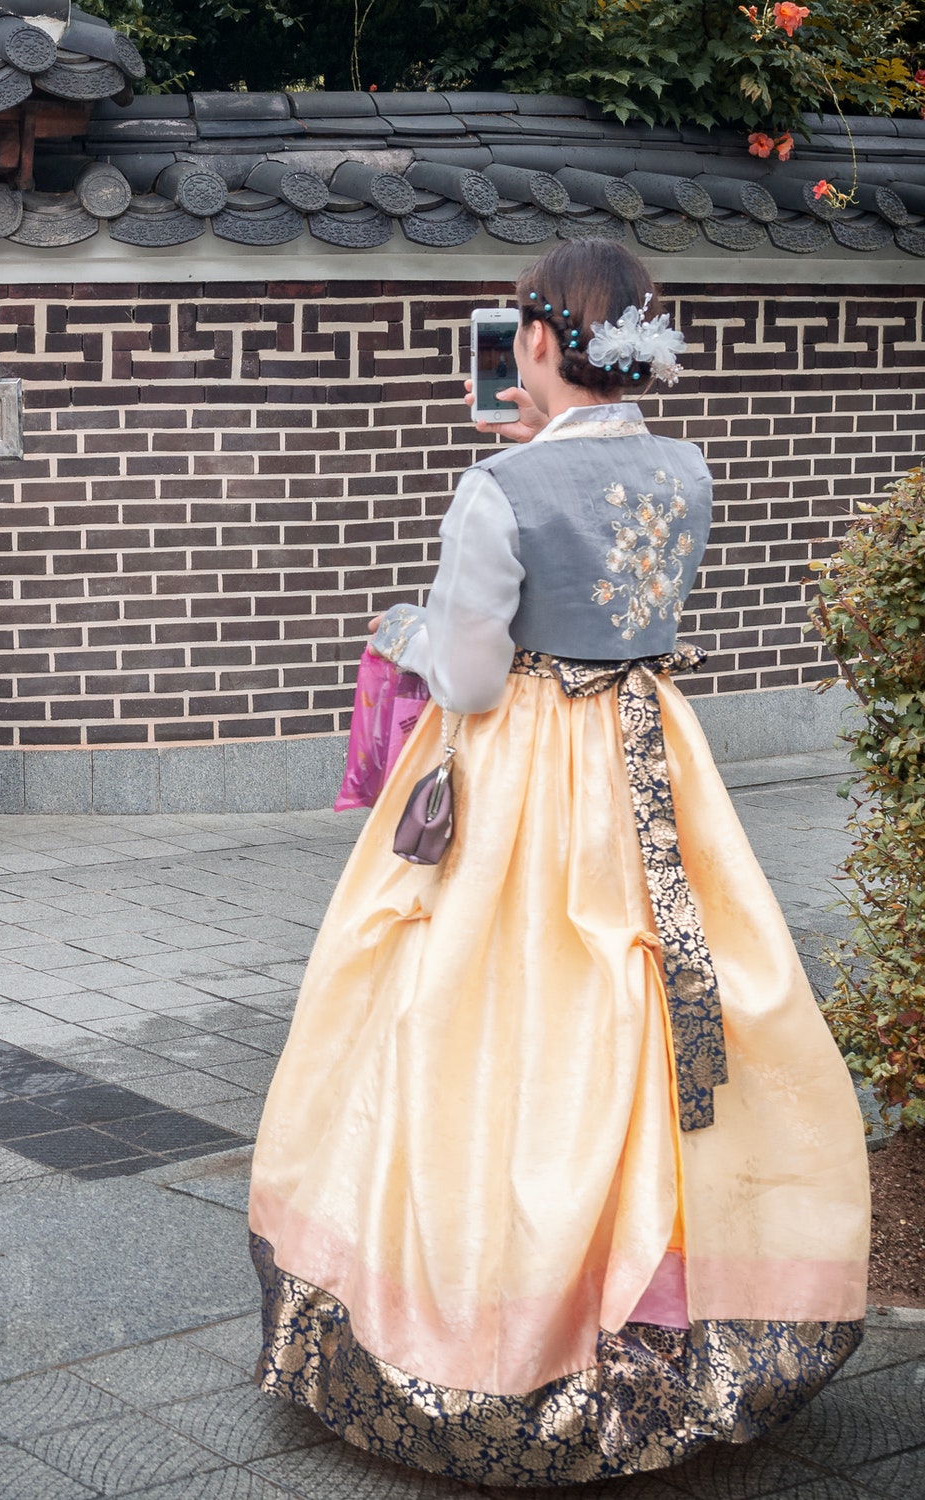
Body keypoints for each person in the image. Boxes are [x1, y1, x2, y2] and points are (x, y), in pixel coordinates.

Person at [245, 240, 870, 1485]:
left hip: (527, 768)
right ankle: (658, 1307)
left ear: (539, 337)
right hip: (646, 756)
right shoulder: (682, 466)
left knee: (483, 1015)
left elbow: (471, 677)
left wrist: (404, 631)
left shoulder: (498, 486)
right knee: (646, 1007)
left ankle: (480, 1322)